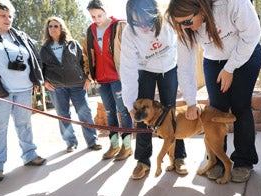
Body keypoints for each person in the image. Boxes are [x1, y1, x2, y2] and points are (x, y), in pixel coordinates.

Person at [166, 0, 261, 183]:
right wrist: (191, 102)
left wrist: (230, 68)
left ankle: (243, 161)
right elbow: (185, 66)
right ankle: (215, 160)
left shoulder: (231, 3)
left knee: (241, 107)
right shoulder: (184, 28)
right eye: (179, 24)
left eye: (186, 22)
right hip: (213, 60)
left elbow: (252, 34)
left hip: (245, 53)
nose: (184, 27)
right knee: (216, 108)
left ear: (200, 8)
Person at [120, 0, 187, 180]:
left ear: (155, 15)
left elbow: (185, 50)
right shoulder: (129, 33)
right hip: (145, 70)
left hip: (169, 68)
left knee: (171, 113)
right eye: (136, 22)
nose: (142, 26)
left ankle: (178, 156)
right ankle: (143, 161)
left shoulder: (169, 21)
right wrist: (130, 103)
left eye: (146, 21)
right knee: (142, 115)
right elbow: (127, 69)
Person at [0, 0, 46, 184]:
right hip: (1, 92)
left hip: (24, 88)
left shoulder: (20, 35)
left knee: (25, 124)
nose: (7, 19)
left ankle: (30, 155)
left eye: (10, 16)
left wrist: (37, 80)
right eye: (2, 15)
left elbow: (33, 57)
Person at [39, 16, 102, 153]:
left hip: (78, 84)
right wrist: (44, 82)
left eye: (56, 26)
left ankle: (93, 141)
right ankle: (71, 143)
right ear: (47, 30)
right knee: (63, 115)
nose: (53, 28)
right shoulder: (44, 49)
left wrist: (88, 78)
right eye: (50, 26)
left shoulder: (73, 44)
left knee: (84, 112)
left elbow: (84, 61)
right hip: (57, 87)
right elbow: (40, 68)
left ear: (62, 28)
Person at [83, 0, 133, 161]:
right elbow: (87, 55)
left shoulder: (119, 26)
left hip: (117, 77)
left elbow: (129, 50)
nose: (96, 19)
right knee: (110, 112)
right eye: (93, 16)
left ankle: (127, 146)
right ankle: (114, 144)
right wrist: (89, 75)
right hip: (101, 79)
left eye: (99, 15)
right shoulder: (90, 31)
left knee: (123, 111)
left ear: (105, 12)